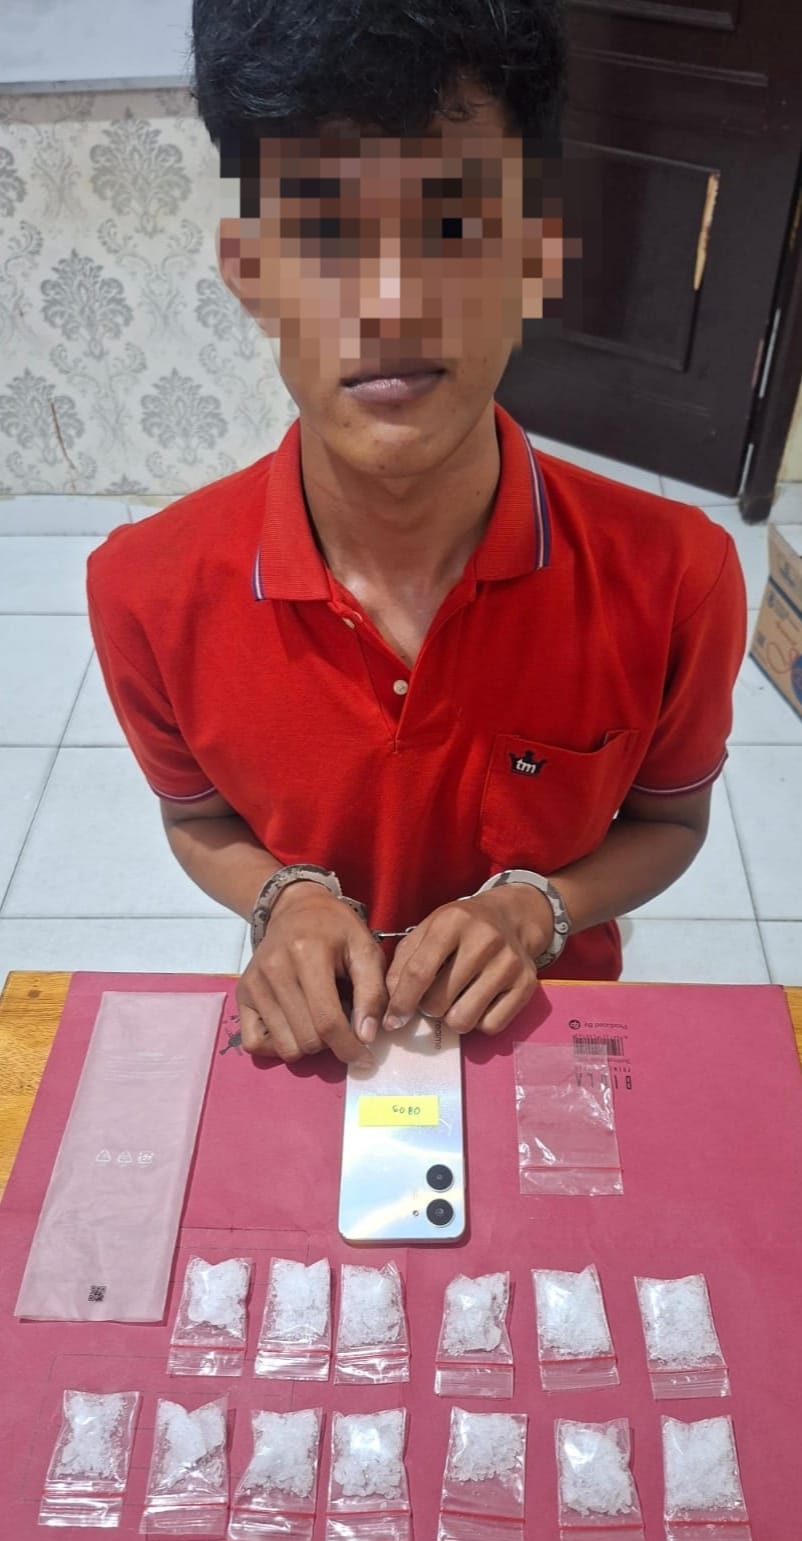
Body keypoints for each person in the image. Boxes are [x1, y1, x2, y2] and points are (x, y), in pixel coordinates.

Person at [86, 0, 746, 1070]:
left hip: (549, 1041)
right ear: (248, 271)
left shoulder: (679, 575)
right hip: (319, 1040)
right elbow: (197, 819)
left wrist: (538, 906)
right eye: (325, 233)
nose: (390, 306)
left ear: (536, 258)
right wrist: (283, 897)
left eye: (451, 227)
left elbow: (669, 824)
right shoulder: (144, 590)